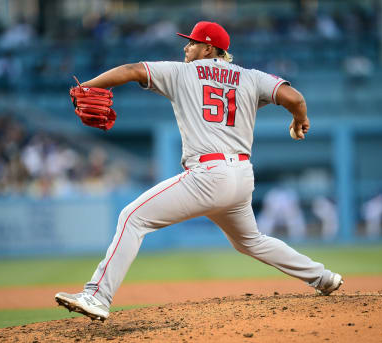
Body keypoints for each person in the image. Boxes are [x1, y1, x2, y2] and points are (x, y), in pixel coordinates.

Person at [55, 21, 343, 321]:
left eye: (191, 43)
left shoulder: (182, 72)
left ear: (208, 48)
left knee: (132, 217)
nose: (186, 47)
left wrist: (88, 85)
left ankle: (97, 296)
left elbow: (131, 70)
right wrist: (299, 120)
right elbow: (295, 98)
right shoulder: (251, 77)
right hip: (242, 176)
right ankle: (322, 277)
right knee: (251, 241)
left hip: (208, 174)